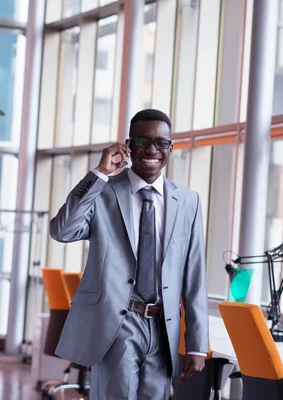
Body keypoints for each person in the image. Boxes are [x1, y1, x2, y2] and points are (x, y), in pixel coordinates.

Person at [50, 109, 209, 399]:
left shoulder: (188, 201)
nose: (152, 150)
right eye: (143, 141)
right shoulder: (104, 191)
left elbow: (195, 275)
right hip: (116, 323)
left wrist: (197, 344)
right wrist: (99, 174)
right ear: (128, 145)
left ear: (171, 148)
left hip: (163, 328)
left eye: (161, 143)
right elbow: (62, 231)